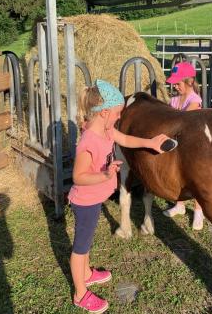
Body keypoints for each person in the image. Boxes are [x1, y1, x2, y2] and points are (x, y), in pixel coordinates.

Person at [68, 79, 170, 313]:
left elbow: (125, 140)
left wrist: (150, 142)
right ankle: (80, 293)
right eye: (117, 113)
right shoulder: (89, 142)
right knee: (80, 248)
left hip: (94, 199)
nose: (119, 117)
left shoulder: (107, 130)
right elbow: (78, 176)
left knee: (87, 239)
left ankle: (87, 273)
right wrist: (104, 175)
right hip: (85, 201)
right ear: (104, 112)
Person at [162, 62, 205, 231]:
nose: (175, 86)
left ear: (189, 82)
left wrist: (170, 118)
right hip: (177, 143)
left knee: (195, 176)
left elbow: (182, 120)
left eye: (178, 83)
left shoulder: (195, 100)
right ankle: (179, 205)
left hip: (193, 145)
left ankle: (198, 211)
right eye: (173, 83)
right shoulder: (173, 99)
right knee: (178, 175)